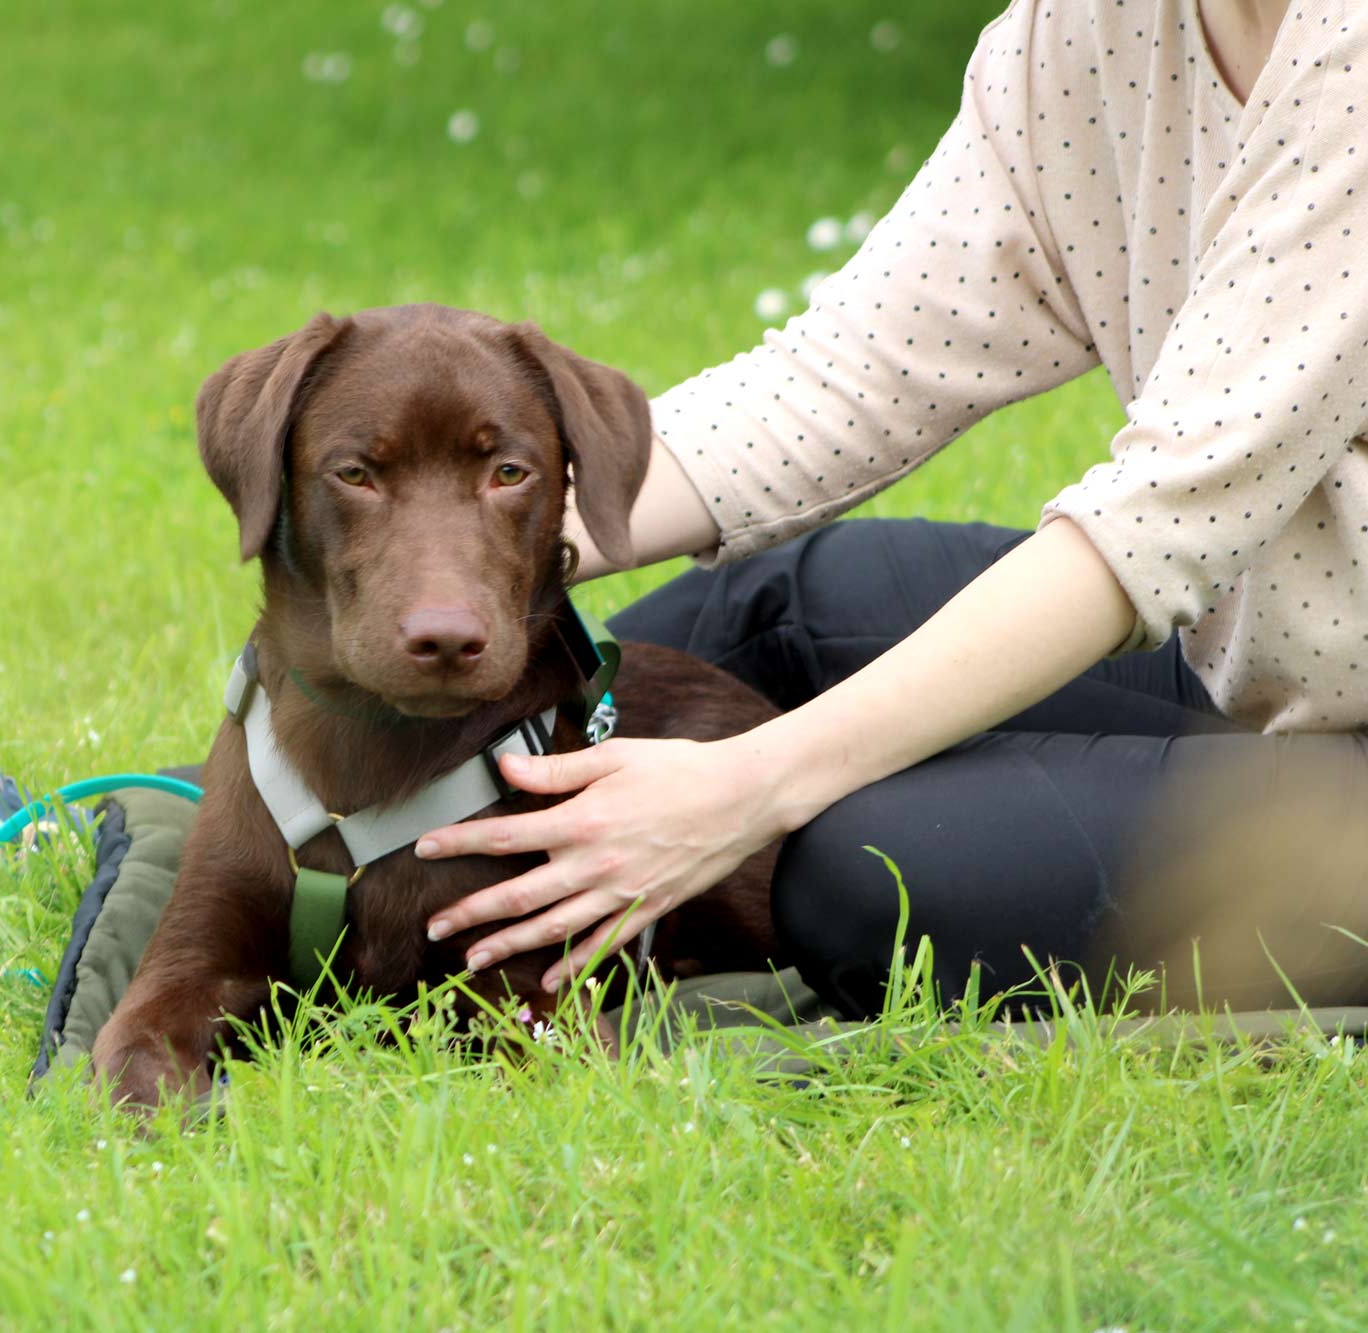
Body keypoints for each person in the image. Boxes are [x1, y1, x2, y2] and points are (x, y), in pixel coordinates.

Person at [415, 0, 1368, 1017]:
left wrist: (747, 785)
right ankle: (285, 839)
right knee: (764, 612)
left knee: (854, 861)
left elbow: (1156, 520)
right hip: (1264, 680)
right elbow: (847, 377)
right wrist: (454, 558)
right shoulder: (1088, 32)